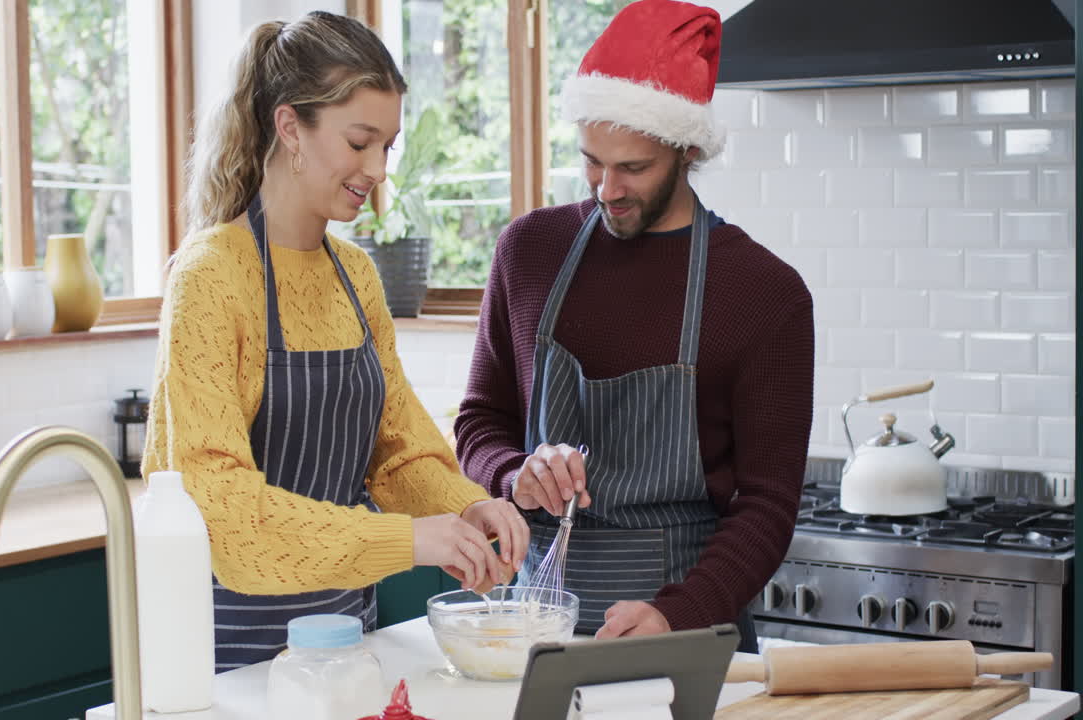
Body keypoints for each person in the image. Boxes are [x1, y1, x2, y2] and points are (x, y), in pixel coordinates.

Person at [143, 10, 528, 671]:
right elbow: (229, 519)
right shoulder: (212, 276)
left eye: (389, 145)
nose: (377, 168)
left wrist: (470, 509)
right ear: (290, 126)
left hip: (346, 645)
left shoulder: (356, 276)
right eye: (359, 142)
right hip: (227, 655)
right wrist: (409, 540)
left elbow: (400, 454)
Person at [454, 0, 813, 651]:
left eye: (634, 168)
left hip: (688, 638)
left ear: (687, 148)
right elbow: (479, 420)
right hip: (536, 631)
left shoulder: (765, 294)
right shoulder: (528, 253)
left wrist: (679, 612)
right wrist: (517, 472)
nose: (606, 188)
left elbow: (768, 506)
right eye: (592, 160)